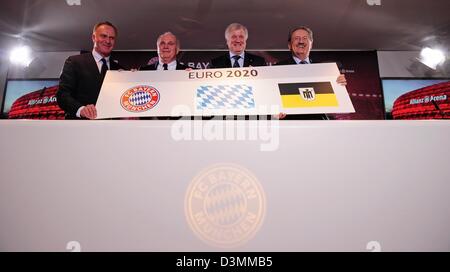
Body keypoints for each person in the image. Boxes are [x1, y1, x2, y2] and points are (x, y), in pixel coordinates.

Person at [276, 26, 347, 120]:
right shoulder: (278, 68)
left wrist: (339, 85)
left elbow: (335, 99)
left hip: (318, 122)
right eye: (296, 38)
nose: (301, 41)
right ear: (289, 45)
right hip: (290, 122)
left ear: (311, 44)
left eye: (305, 38)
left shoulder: (324, 70)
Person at [57, 21, 123, 119]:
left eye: (112, 38)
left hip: (112, 129)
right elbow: (62, 95)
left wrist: (131, 80)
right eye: (103, 36)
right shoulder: (74, 62)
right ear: (93, 37)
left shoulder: (120, 70)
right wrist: (81, 109)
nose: (108, 41)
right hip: (81, 127)